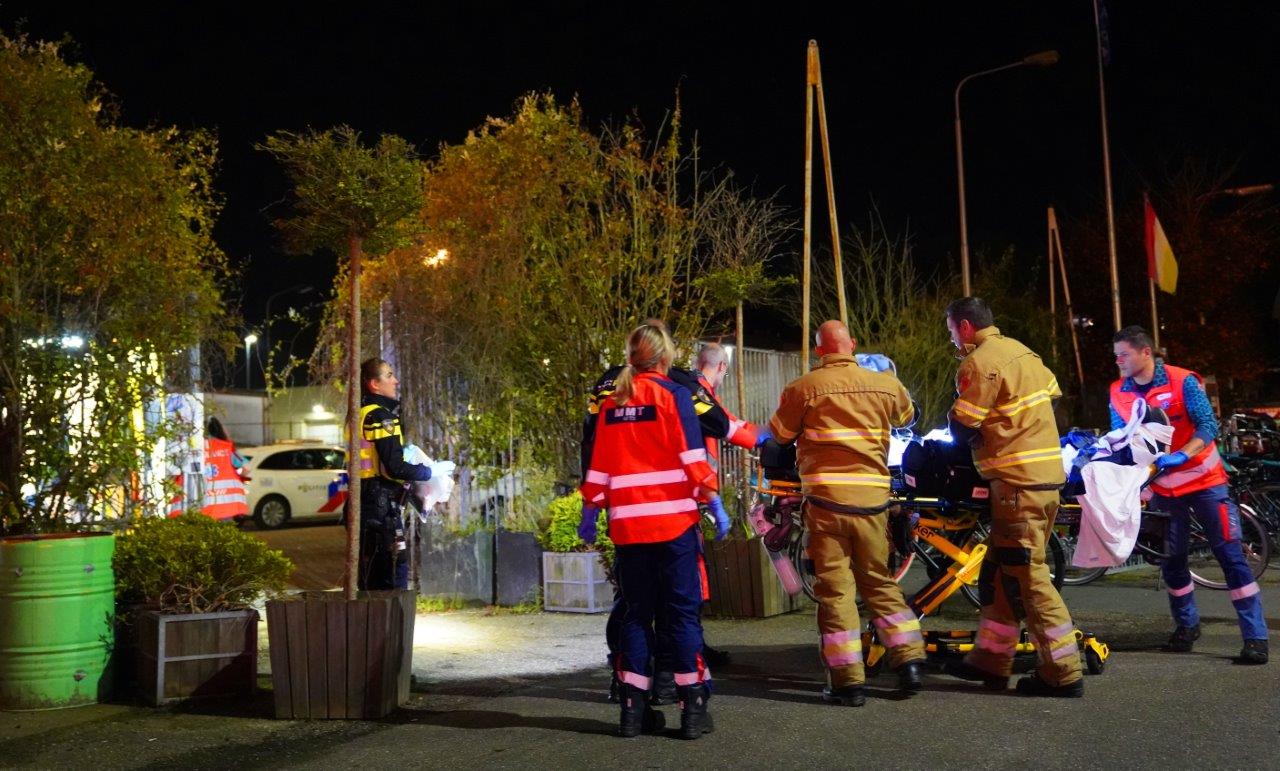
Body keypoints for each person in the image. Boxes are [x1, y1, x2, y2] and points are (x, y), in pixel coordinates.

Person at [583, 325, 764, 703]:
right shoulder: (677, 388)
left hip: (623, 514)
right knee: (680, 605)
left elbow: (594, 450)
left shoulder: (607, 388)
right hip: (676, 516)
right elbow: (714, 431)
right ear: (664, 356)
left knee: (632, 606)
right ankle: (677, 687)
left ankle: (628, 692)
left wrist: (591, 505)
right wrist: (760, 442)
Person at [766, 320, 926, 707]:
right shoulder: (885, 384)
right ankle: (910, 664)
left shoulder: (803, 388)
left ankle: (848, 684)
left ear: (820, 350)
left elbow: (779, 436)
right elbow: (909, 417)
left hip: (826, 505)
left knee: (836, 592)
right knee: (879, 582)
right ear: (852, 345)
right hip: (873, 504)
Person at [941, 297, 1083, 697]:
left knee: (1028, 575)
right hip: (1045, 479)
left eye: (952, 330)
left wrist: (956, 429)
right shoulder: (1026, 353)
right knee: (1003, 567)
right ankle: (992, 659)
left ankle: (1062, 671)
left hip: (1017, 483)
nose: (952, 338)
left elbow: (963, 423)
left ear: (965, 326)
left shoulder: (979, 362)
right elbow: (1048, 398)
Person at [1110, 326, 1267, 665]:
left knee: (1231, 557)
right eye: (1116, 355)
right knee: (1172, 560)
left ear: (1145, 353)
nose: (1118, 361)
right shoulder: (1117, 392)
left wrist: (1184, 454)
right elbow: (1121, 437)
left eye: (1123, 354)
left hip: (1205, 481)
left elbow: (1207, 425)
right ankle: (1186, 627)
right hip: (1163, 488)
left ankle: (1255, 637)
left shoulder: (1183, 382)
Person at [357, 358, 433, 591]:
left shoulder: (360, 413)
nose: (396, 381)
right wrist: (429, 471)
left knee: (371, 575)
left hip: (364, 501)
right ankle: (392, 627)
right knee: (391, 573)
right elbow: (394, 468)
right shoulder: (382, 417)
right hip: (380, 506)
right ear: (374, 384)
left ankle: (374, 625)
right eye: (389, 375)